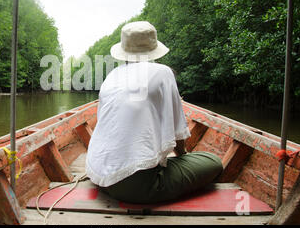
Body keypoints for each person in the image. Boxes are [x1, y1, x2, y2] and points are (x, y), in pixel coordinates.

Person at [85, 21, 223, 204]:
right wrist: (183, 156)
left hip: (96, 173)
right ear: (153, 49)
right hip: (133, 187)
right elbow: (177, 131)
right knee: (213, 161)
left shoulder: (112, 76)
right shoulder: (163, 73)